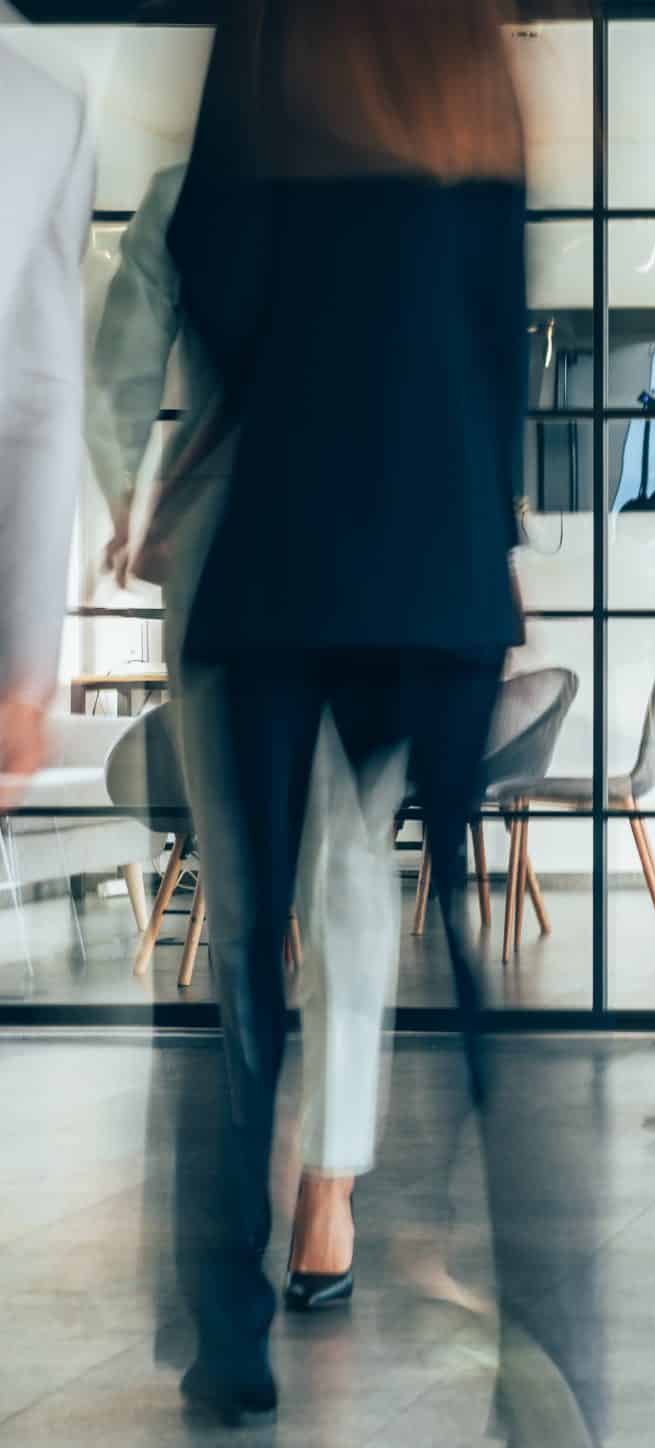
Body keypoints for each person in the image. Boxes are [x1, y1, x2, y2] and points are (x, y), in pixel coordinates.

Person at [163, 0, 599, 1433]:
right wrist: (493, 530)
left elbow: (208, 272)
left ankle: (232, 1342)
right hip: (441, 560)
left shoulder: (273, 34)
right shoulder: (473, 53)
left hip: (286, 544)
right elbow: (501, 322)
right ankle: (542, 1334)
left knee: (248, 969)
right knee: (460, 945)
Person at [88, 158, 407, 1314]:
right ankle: (306, 1175)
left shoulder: (227, 186)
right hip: (314, 553)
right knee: (301, 888)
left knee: (312, 887)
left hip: (315, 552)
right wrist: (126, 492)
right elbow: (122, 358)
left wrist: (130, 497)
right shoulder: (202, 189)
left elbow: (118, 365)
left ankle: (320, 1175)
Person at [0, 32, 92, 814]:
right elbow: (41, 400)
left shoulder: (41, 108)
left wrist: (25, 676)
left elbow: (42, 402)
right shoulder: (40, 107)